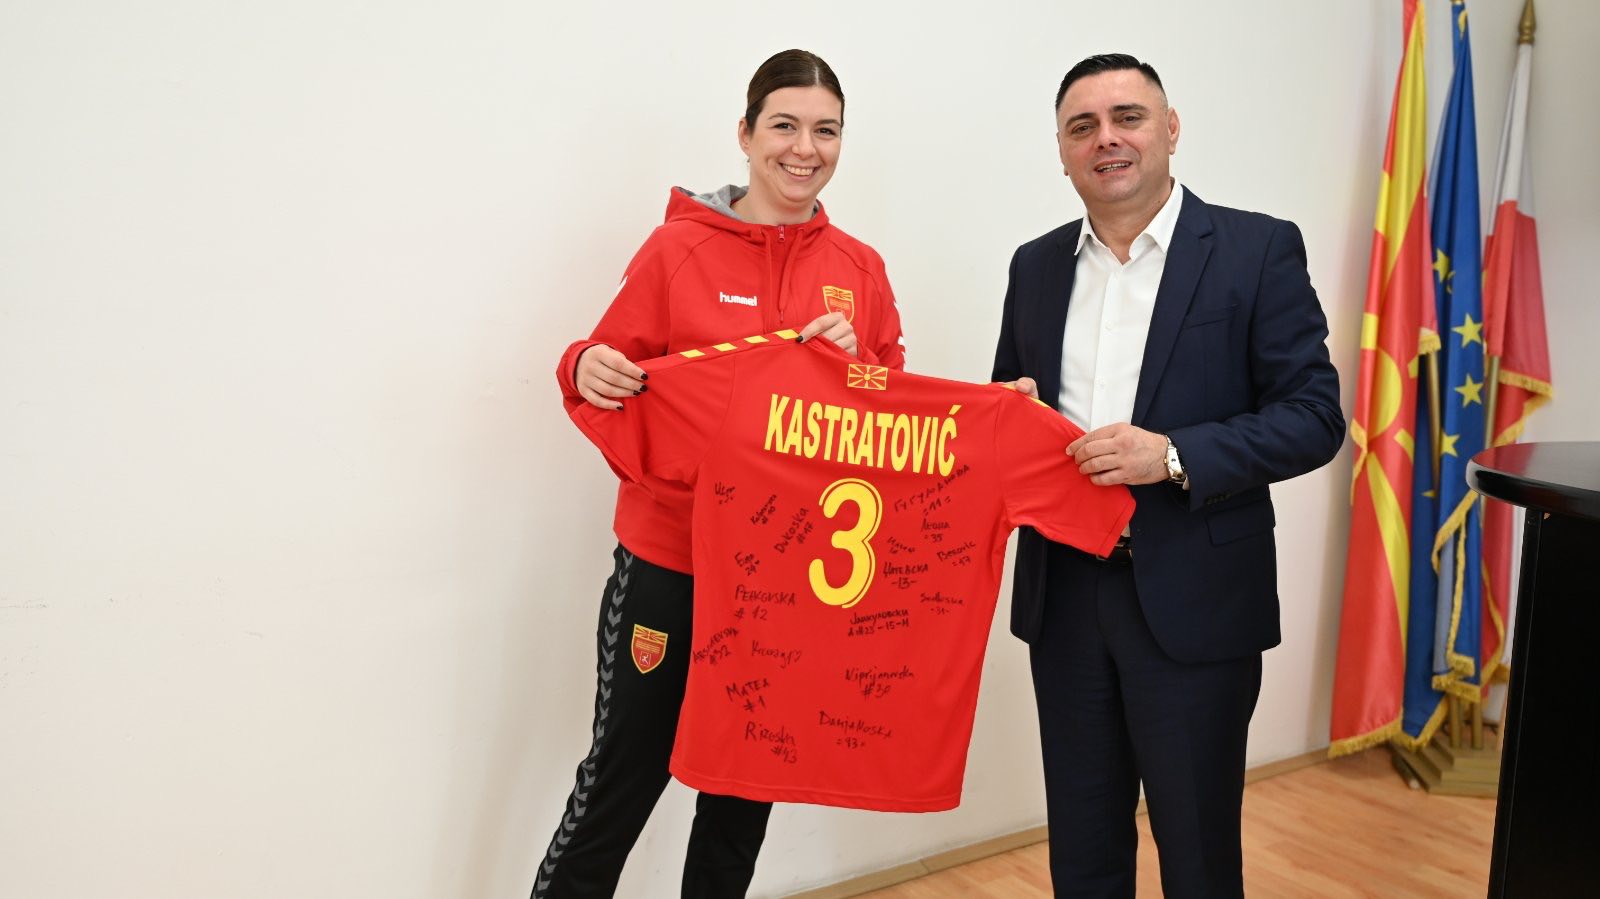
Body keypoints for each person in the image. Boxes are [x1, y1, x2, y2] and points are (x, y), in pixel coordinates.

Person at [535, 49, 905, 899]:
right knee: (621, 780)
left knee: (742, 793)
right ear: (745, 133)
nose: (804, 148)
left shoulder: (859, 270)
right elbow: (607, 368)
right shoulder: (677, 250)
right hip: (671, 564)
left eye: (825, 130)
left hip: (785, 579)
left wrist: (857, 370)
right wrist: (580, 361)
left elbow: (887, 420)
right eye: (784, 125)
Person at [991, 54, 1343, 897]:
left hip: (1196, 600)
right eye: (1082, 127)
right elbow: (1007, 402)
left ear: (1171, 128)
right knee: (1083, 853)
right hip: (1064, 597)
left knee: (1197, 856)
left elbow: (1314, 417)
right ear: (1062, 152)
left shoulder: (1256, 249)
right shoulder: (1035, 265)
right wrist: (1010, 416)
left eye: (1128, 117)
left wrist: (1173, 454)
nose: (1106, 139)